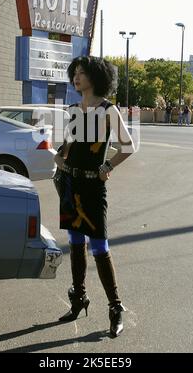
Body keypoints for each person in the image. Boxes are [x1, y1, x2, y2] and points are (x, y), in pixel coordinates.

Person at [54, 56, 136, 338]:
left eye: (82, 72)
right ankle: (79, 298)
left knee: (100, 246)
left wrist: (108, 166)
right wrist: (58, 157)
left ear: (96, 77)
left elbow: (128, 146)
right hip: (71, 184)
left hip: (93, 187)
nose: (76, 77)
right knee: (76, 244)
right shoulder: (73, 109)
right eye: (74, 73)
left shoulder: (108, 110)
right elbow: (66, 146)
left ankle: (115, 308)